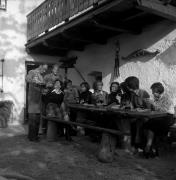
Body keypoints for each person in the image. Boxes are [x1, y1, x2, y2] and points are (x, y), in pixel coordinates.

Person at [143, 82, 174, 158]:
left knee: (151, 125)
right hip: (159, 117)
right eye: (153, 91)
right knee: (146, 124)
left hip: (168, 117)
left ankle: (149, 146)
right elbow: (155, 110)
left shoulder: (167, 98)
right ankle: (151, 147)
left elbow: (164, 110)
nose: (152, 93)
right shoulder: (157, 98)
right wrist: (149, 104)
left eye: (153, 91)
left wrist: (153, 104)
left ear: (158, 91)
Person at [26, 64, 48, 141]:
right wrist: (35, 81)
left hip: (39, 100)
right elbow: (28, 79)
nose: (45, 71)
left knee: (37, 119)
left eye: (46, 69)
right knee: (33, 119)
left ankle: (34, 135)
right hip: (33, 100)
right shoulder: (32, 72)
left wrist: (44, 91)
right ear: (40, 67)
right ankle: (32, 137)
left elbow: (42, 87)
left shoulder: (41, 76)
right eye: (44, 69)